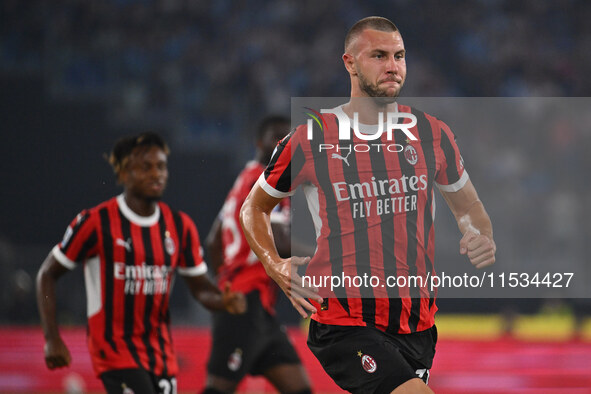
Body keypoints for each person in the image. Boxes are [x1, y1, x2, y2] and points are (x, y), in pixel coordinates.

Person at [239, 16, 496, 394]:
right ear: (350, 62)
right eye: (379, 55)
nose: (393, 66)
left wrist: (479, 233)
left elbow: (468, 206)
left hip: (418, 325)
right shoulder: (312, 138)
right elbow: (253, 208)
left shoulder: (432, 134)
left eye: (399, 55)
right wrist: (276, 265)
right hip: (344, 320)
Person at [36, 132, 246, 394]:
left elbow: (200, 286)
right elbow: (47, 274)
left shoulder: (180, 226)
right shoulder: (95, 222)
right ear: (124, 174)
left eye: (161, 166)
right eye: (145, 167)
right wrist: (52, 338)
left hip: (160, 354)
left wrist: (222, 301)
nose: (156, 174)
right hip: (114, 351)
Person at [203, 116, 312, 394]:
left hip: (259, 305)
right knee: (218, 389)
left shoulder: (245, 180)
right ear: (258, 143)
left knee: (299, 388)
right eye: (277, 139)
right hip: (244, 303)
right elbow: (282, 240)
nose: (282, 145)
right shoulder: (262, 182)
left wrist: (224, 280)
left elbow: (213, 241)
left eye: (287, 140)